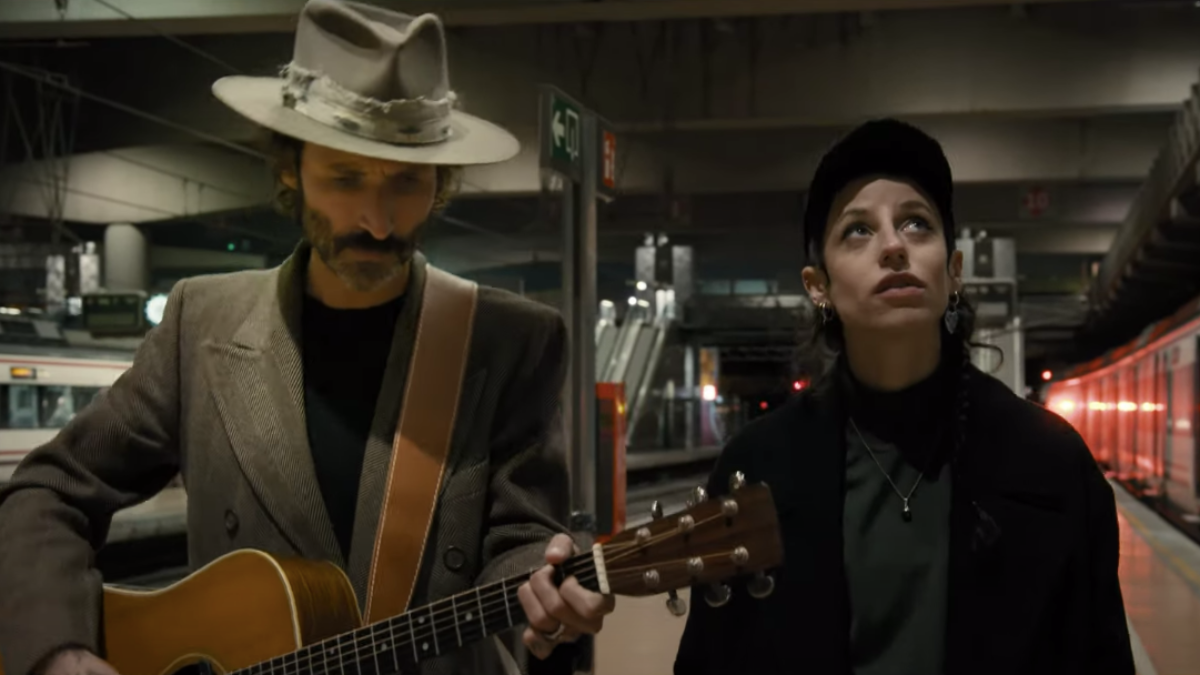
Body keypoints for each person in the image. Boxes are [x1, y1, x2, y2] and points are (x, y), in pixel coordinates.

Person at [0, 2, 614, 675]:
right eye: (345, 178)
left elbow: (522, 541)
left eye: (407, 181)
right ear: (290, 167)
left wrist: (544, 591)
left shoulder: (510, 341)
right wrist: (58, 650)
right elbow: (49, 489)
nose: (377, 221)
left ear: (440, 181)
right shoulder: (200, 324)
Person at [673, 119, 1134, 675]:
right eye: (858, 230)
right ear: (818, 286)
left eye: (917, 223)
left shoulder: (1050, 461)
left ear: (954, 271)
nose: (894, 246)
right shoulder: (757, 469)